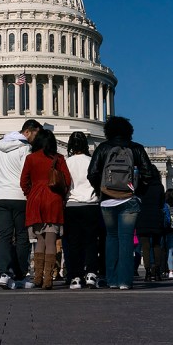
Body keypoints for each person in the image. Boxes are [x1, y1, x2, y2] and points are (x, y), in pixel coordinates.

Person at [87, 116, 154, 290]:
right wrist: (137, 192)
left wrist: (103, 189)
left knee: (111, 239)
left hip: (108, 200)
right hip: (130, 199)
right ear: (128, 131)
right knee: (126, 239)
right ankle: (125, 280)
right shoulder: (136, 148)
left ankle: (112, 279)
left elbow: (92, 173)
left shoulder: (103, 148)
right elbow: (148, 174)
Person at [0, 118, 43, 289]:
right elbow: (28, 174)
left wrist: (0, 185)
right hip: (20, 197)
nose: (36, 139)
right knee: (22, 237)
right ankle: (20, 275)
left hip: (1, 197)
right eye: (35, 134)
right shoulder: (26, 149)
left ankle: (3, 273)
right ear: (27, 132)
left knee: (5, 235)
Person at [20, 128, 72, 290]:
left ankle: (37, 277)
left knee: (39, 240)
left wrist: (31, 193)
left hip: (36, 200)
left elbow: (23, 181)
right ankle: (48, 279)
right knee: (51, 241)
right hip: (53, 200)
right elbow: (67, 181)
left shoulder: (31, 158)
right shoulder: (59, 158)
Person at [63, 131, 101, 290]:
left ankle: (76, 277)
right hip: (91, 205)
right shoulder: (92, 161)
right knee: (92, 242)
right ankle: (91, 273)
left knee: (74, 244)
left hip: (72, 205)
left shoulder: (66, 162)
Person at [135, 164, 165, 282]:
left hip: (143, 217)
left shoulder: (141, 186)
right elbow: (162, 203)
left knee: (145, 247)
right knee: (157, 245)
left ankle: (147, 273)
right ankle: (157, 272)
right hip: (156, 216)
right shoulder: (159, 187)